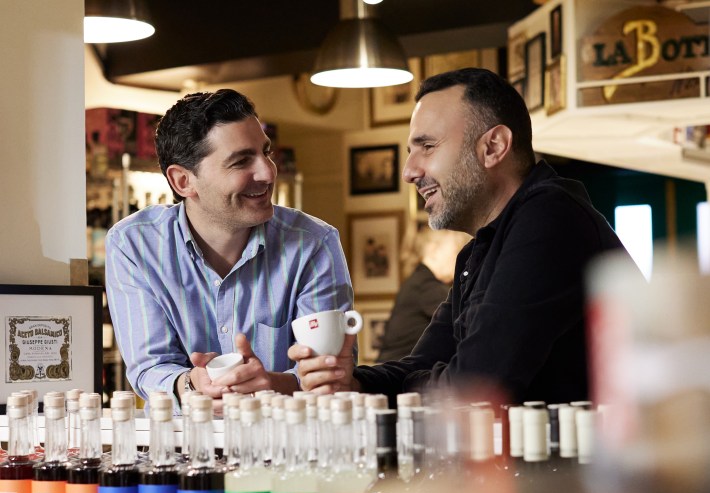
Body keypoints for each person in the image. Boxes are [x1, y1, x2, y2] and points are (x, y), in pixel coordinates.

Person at [289, 68, 634, 405]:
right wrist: (354, 382)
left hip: (607, 461)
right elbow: (424, 364)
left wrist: (401, 386)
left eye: (427, 146)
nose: (410, 171)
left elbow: (476, 386)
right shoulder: (476, 252)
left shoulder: (550, 218)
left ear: (493, 147)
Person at [105, 89, 353, 408]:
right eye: (241, 161)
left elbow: (330, 374)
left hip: (287, 445)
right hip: (184, 448)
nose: (267, 172)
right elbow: (150, 367)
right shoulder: (134, 244)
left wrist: (272, 385)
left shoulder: (314, 243)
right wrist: (190, 385)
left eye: (266, 153)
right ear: (183, 182)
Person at [375, 227, 469, 362]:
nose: (460, 259)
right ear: (433, 250)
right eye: (456, 252)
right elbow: (466, 319)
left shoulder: (419, 280)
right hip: (397, 377)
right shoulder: (426, 286)